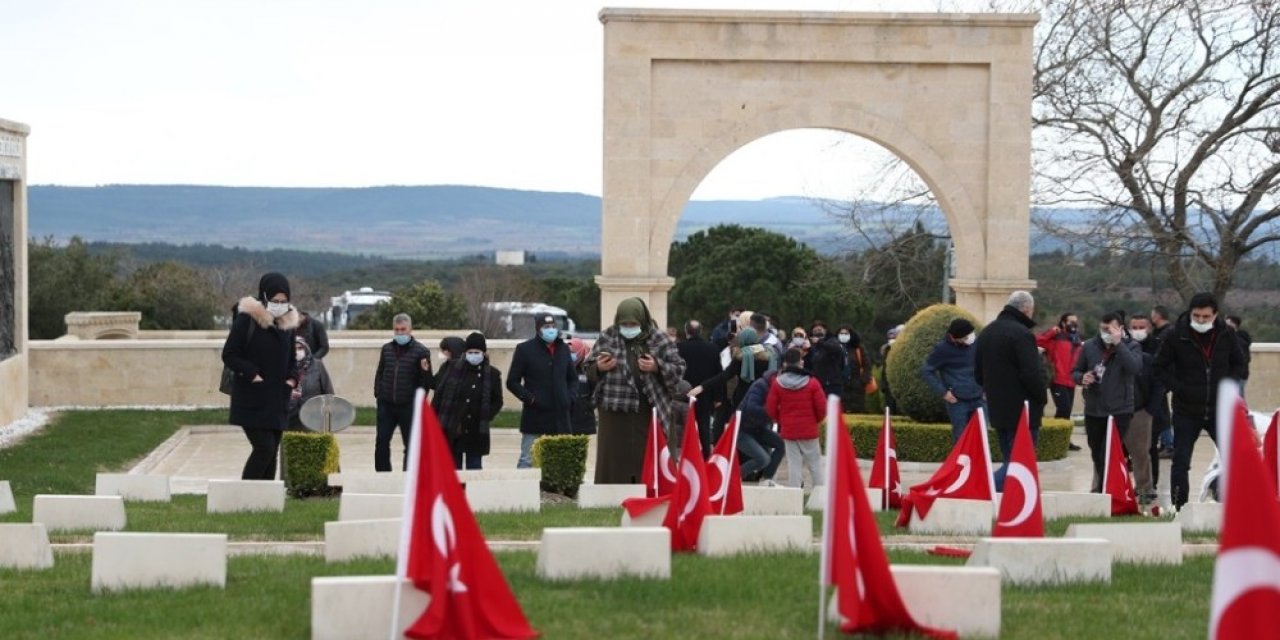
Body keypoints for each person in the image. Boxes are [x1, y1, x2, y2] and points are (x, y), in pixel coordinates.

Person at [1153, 292, 1248, 510]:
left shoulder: (1227, 334)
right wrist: (1179, 387)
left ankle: (1238, 505)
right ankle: (1180, 509)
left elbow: (1239, 364)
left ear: (1215, 315)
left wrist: (1228, 386)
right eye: (1197, 316)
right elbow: (1158, 368)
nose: (1201, 321)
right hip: (1186, 409)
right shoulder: (1176, 335)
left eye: (1206, 317)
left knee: (1235, 460)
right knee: (1181, 462)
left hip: (1219, 409)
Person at [587, 297, 687, 484]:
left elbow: (679, 368)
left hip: (649, 410)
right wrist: (599, 367)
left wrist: (657, 366)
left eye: (633, 323)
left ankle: (652, 490)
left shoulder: (659, 338)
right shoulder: (608, 336)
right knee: (615, 459)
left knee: (649, 456)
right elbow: (588, 368)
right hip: (614, 412)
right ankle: (611, 492)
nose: (629, 327)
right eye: (625, 323)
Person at [221, 272, 301, 480]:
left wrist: (292, 379)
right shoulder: (246, 320)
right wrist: (252, 374)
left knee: (272, 451)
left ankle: (266, 500)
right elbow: (230, 354)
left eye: (284, 301)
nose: (280, 305)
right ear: (264, 296)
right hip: (252, 398)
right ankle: (246, 495)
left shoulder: (287, 324)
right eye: (275, 300)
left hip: (278, 398)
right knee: (263, 448)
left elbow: (293, 358)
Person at [974, 291, 1048, 490]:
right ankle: (982, 487)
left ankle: (1006, 506)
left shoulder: (986, 332)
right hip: (1023, 410)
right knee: (1019, 464)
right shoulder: (1023, 335)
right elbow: (1031, 373)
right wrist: (1042, 397)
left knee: (1010, 459)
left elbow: (977, 373)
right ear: (1026, 310)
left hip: (997, 409)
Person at [1072, 312, 1142, 493]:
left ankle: (1104, 491)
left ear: (1120, 328)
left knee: (1108, 453)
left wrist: (1119, 344)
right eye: (1103, 329)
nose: (1106, 333)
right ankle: (1104, 487)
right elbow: (1075, 372)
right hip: (1094, 409)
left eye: (1110, 329)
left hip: (1120, 410)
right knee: (1096, 452)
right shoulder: (1089, 346)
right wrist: (1082, 377)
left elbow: (1134, 368)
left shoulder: (1131, 346)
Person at [507, 314, 577, 469]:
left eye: (553, 326)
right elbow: (512, 382)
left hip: (561, 417)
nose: (550, 330)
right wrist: (530, 399)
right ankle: (524, 491)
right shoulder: (524, 349)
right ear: (538, 329)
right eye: (546, 327)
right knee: (528, 459)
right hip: (535, 416)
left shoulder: (563, 349)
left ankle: (557, 492)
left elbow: (573, 378)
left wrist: (570, 397)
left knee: (560, 462)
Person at [432, 332, 503, 470]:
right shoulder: (453, 368)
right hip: (453, 427)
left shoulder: (492, 374)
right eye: (470, 352)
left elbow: (497, 400)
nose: (473, 355)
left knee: (474, 469)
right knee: (453, 469)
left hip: (476, 430)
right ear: (465, 352)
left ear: (483, 352)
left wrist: (486, 415)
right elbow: (440, 395)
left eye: (477, 352)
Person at [372, 313, 433, 472]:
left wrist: (418, 401)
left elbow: (425, 380)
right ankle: (383, 475)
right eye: (397, 330)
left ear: (410, 329)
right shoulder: (386, 349)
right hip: (386, 405)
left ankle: (409, 475)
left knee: (411, 444)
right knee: (382, 442)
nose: (400, 333)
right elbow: (380, 372)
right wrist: (378, 392)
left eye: (403, 330)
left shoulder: (421, 351)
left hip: (408, 406)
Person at [766, 348, 827, 490]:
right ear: (801, 362)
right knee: (815, 463)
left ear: (785, 363)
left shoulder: (777, 383)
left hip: (789, 429)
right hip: (809, 429)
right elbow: (822, 408)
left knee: (793, 463)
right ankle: (819, 495)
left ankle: (794, 495)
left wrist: (780, 420)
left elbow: (770, 408)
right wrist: (815, 421)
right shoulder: (813, 383)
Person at [920, 318, 985, 442]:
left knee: (981, 437)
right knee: (961, 439)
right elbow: (926, 370)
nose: (970, 338)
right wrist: (943, 392)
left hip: (979, 398)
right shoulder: (942, 349)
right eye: (966, 337)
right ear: (954, 338)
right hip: (958, 401)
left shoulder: (977, 343)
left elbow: (986, 365)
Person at [676, 320, 722, 458]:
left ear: (686, 331)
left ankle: (685, 456)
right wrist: (718, 397)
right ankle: (706, 455)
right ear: (701, 331)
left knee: (682, 427)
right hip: (705, 393)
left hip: (682, 394)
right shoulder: (712, 348)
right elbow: (718, 374)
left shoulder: (678, 348)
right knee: (704, 427)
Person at [1128, 314, 1160, 508]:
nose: (1138, 330)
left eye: (1141, 326)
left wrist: (1150, 408)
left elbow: (1160, 381)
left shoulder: (1156, 348)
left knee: (1143, 453)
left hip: (1143, 409)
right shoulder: (1120, 348)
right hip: (1120, 408)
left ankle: (1146, 490)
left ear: (1148, 328)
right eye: (1134, 327)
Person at [736, 368, 785, 486]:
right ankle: (732, 477)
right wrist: (772, 410)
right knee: (763, 459)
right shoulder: (761, 385)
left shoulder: (781, 390)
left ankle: (766, 479)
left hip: (758, 428)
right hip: (742, 429)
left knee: (782, 445)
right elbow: (751, 408)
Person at [1037, 312, 1082, 420]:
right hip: (1058, 380)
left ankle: (1062, 435)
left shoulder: (1077, 341)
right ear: (1063, 323)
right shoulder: (1054, 339)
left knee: (1067, 413)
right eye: (1071, 321)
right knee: (1063, 409)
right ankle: (1055, 434)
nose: (1074, 324)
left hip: (1071, 381)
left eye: (1075, 322)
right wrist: (1052, 332)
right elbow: (1037, 341)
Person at [287, 337, 334, 430]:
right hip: (290, 416)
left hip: (313, 415)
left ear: (306, 348)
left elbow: (327, 390)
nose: (297, 351)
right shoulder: (285, 366)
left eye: (300, 348)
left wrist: (329, 412)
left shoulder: (317, 365)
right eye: (294, 349)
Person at [1149, 304, 1175, 457]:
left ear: (1158, 316)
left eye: (1152, 314)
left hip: (1162, 377)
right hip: (1161, 376)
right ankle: (1166, 442)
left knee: (1161, 411)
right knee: (1161, 410)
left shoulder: (1166, 334)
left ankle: (1168, 444)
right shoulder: (1161, 332)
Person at [804, 321, 846, 399]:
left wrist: (820, 342)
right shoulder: (812, 347)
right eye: (815, 331)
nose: (817, 333)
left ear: (825, 330)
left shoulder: (833, 340)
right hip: (817, 383)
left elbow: (836, 349)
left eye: (820, 330)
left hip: (832, 384)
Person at [567, 337, 597, 436]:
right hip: (565, 422)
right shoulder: (560, 370)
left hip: (583, 423)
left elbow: (596, 391)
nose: (569, 355)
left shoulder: (588, 370)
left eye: (572, 352)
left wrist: (587, 406)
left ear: (580, 352)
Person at [838, 325, 872, 414]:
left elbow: (867, 365)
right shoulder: (835, 348)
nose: (843, 335)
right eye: (841, 333)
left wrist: (862, 381)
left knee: (857, 411)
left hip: (857, 387)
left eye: (846, 333)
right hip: (840, 386)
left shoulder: (858, 348)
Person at [879, 324, 905, 415]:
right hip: (888, 384)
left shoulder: (904, 350)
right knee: (890, 407)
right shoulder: (886, 349)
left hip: (901, 384)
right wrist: (883, 384)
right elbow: (884, 368)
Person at [1225, 315, 1252, 395]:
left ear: (1234, 325)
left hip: (1237, 376)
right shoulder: (1231, 339)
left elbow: (1243, 359)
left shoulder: (1239, 341)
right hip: (1234, 376)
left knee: (1237, 400)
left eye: (1227, 324)